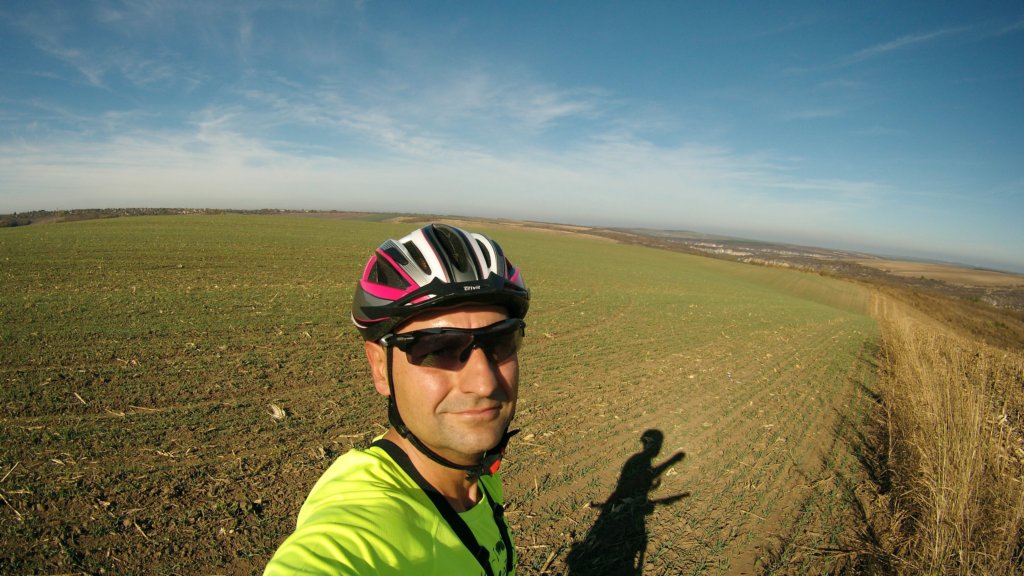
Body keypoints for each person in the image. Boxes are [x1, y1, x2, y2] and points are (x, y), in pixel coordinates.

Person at [265, 223, 529, 576]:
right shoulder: (361, 525)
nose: (484, 383)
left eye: (501, 341)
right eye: (439, 348)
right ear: (380, 367)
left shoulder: (478, 472)